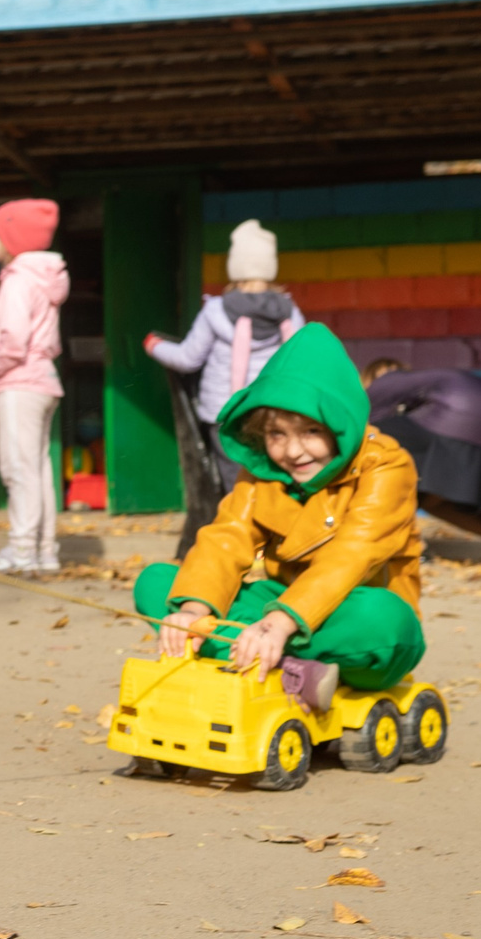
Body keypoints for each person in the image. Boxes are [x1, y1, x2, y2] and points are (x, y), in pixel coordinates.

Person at [133, 323, 426, 709]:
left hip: (347, 612)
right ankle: (290, 669)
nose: (293, 451)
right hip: (281, 607)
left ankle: (249, 650)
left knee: (384, 620)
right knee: (159, 582)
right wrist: (193, 611)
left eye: (311, 431)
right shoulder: (263, 471)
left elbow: (352, 555)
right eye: (276, 434)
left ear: (341, 423)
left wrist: (279, 623)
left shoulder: (385, 465)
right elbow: (227, 539)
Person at [144, 219, 304, 549]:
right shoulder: (289, 312)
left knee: (236, 479)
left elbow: (187, 359)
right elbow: (302, 356)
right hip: (274, 411)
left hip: (225, 411)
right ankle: (280, 539)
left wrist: (155, 346)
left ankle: (242, 543)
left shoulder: (216, 310)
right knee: (274, 474)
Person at [361, 359, 481, 567]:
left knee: (371, 446)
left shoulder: (385, 381)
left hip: (456, 419)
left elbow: (360, 423)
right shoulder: (429, 383)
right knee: (435, 502)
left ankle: (413, 547)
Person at [0, 198, 68, 575]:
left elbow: (13, 339)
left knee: (18, 469)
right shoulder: (44, 278)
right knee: (38, 469)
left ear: (13, 239)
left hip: (19, 384)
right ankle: (44, 551)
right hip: (43, 381)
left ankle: (22, 550)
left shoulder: (18, 280)